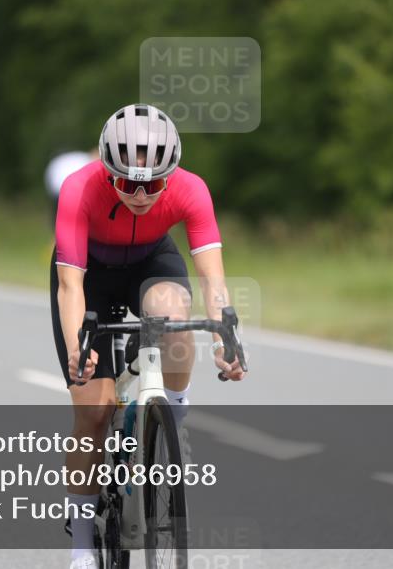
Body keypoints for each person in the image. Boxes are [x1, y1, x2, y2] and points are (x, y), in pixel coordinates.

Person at [50, 104, 246, 568]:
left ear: (170, 175)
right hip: (90, 275)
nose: (140, 195)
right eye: (127, 184)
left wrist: (226, 339)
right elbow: (69, 285)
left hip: (150, 261)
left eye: (153, 185)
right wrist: (79, 345)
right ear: (106, 171)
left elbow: (212, 281)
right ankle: (81, 547)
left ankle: (170, 420)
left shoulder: (192, 189)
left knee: (175, 316)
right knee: (93, 415)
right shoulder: (78, 188)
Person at [44, 148, 97, 227]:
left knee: (60, 227)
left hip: (56, 188)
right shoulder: (88, 163)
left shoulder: (80, 158)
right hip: (66, 192)